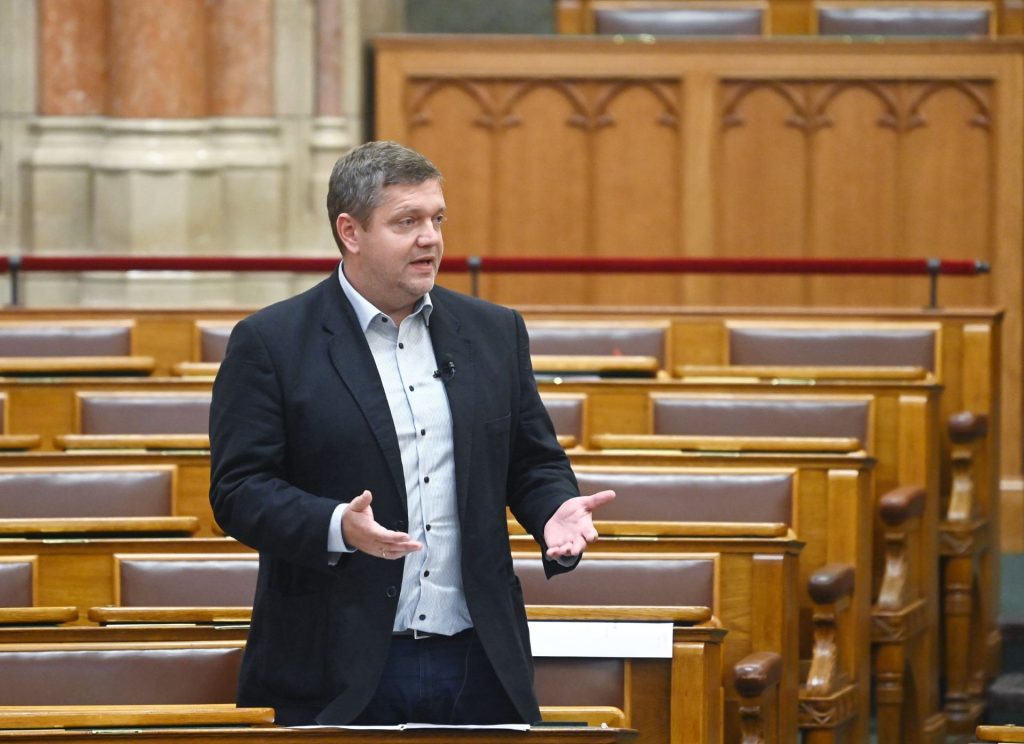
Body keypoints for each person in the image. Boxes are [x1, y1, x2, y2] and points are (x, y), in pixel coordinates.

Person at [209, 140, 615, 726]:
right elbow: (239, 491)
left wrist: (551, 508)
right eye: (407, 222)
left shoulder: (493, 331)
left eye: (437, 219)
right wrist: (336, 525)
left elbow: (532, 462)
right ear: (350, 232)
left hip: (478, 660)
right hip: (336, 662)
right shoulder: (271, 342)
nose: (431, 239)